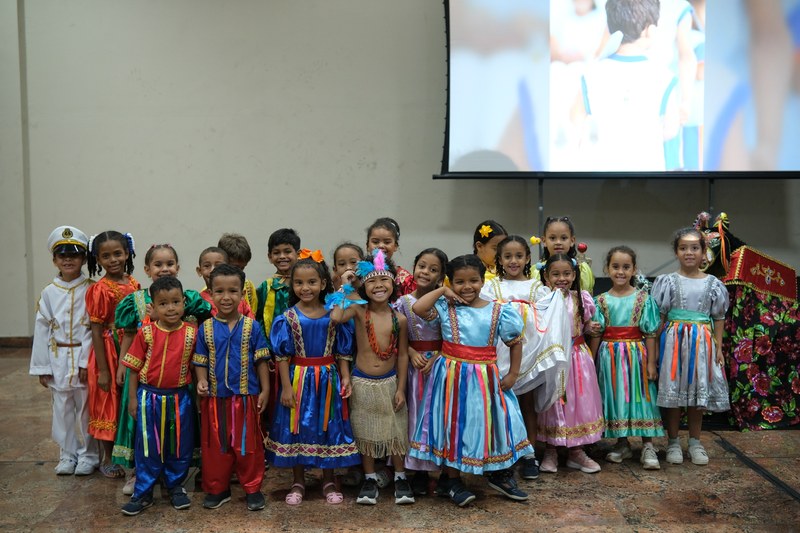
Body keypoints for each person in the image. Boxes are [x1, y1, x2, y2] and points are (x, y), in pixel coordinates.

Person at [409, 254, 532, 507]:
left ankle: (499, 474)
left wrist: (513, 373)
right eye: (459, 282)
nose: (467, 287)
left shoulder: (498, 310)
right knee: (454, 425)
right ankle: (452, 480)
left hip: (485, 377)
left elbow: (515, 342)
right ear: (450, 283)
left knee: (493, 423)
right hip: (451, 378)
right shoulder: (445, 307)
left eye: (474, 280)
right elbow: (418, 308)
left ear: (482, 281)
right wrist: (442, 290)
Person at [113, 244, 211, 494]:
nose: (164, 269)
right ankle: (139, 472)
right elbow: (129, 334)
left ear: (178, 267)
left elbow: (203, 325)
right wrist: (122, 365)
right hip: (146, 377)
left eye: (170, 264)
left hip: (178, 376)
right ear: (147, 269)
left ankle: (174, 474)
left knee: (176, 427)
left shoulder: (188, 298)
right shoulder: (135, 299)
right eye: (158, 265)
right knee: (142, 426)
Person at [266, 255, 361, 505]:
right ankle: (298, 481)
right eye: (299, 283)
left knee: (326, 428)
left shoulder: (334, 314)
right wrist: (286, 388)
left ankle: (328, 479)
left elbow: (342, 350)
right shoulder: (286, 318)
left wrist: (345, 377)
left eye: (311, 282)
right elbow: (282, 357)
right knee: (297, 429)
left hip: (328, 380)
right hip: (298, 381)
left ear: (322, 284)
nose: (305, 288)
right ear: (292, 286)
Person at [479, 235, 572, 481]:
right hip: (500, 352)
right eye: (507, 256)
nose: (513, 261)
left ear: (527, 258)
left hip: (528, 352)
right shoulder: (492, 287)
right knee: (501, 405)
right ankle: (504, 454)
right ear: (499, 259)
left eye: (519, 256)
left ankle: (529, 454)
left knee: (527, 404)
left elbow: (547, 315)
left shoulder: (535, 288)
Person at [328, 249, 415, 506]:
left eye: (384, 280)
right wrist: (345, 286)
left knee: (396, 430)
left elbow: (401, 357)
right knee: (365, 432)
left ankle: (400, 477)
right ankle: (369, 478)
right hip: (362, 382)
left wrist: (400, 388)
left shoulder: (399, 318)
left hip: (389, 382)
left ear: (393, 283)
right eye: (372, 282)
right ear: (364, 286)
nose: (378, 286)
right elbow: (334, 317)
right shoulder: (357, 311)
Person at [193, 264, 270, 511]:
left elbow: (261, 360)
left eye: (233, 291)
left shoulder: (252, 326)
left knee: (248, 446)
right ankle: (218, 488)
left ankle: (252, 488)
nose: (226, 297)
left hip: (246, 397)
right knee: (216, 446)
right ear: (211, 294)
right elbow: (200, 360)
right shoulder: (204, 329)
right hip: (215, 399)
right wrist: (202, 381)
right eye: (220, 291)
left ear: (242, 293)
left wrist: (265, 390)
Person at [569, 0, 680, 172]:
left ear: (610, 27)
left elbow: (575, 120)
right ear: (650, 31)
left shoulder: (592, 73)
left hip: (602, 181)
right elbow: (671, 129)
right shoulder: (665, 77)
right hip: (647, 180)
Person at [119, 277, 198, 515]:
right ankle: (143, 491)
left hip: (180, 399)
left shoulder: (192, 334)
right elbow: (133, 368)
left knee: (179, 445)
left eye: (175, 302)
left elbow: (197, 368)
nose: (171, 308)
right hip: (148, 398)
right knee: (147, 446)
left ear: (184, 302)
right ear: (152, 307)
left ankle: (175, 486)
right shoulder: (146, 333)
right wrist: (133, 399)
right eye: (163, 304)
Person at [651, 228, 729, 466]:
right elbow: (659, 318)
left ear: (704, 252)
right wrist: (654, 350)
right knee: (674, 392)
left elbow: (718, 317)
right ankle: (673, 442)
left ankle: (695, 442)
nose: (689, 252)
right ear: (676, 252)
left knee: (697, 393)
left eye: (695, 248)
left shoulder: (713, 283)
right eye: (683, 248)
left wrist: (718, 348)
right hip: (673, 343)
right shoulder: (668, 282)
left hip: (701, 343)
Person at [30, 226, 99, 476]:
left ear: (83, 258)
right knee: (61, 409)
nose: (68, 259)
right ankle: (68, 454)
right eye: (62, 255)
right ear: (54, 259)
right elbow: (42, 330)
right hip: (58, 358)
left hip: (84, 358)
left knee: (86, 408)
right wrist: (42, 367)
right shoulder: (49, 293)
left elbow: (94, 329)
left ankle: (89, 455)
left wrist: (84, 363)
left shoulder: (92, 289)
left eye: (74, 254)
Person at [588, 246, 664, 470]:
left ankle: (648, 445)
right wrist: (590, 363)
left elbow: (650, 333)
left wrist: (650, 363)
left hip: (636, 356)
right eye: (615, 267)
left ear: (634, 270)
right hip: (608, 357)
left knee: (642, 397)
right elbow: (596, 333)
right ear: (607, 269)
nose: (620, 272)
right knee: (616, 397)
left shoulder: (643, 299)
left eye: (626, 267)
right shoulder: (600, 301)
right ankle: (622, 443)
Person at [537, 254, 604, 474]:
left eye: (567, 273)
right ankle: (551, 450)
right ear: (546, 277)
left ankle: (576, 451)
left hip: (577, 357)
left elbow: (581, 325)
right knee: (553, 402)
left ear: (574, 275)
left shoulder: (581, 299)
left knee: (578, 402)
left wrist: (588, 328)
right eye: (555, 274)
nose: (562, 278)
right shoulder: (543, 299)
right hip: (555, 359)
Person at [392, 248, 448, 496]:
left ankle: (444, 471)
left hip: (439, 367)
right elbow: (396, 338)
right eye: (422, 266)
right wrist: (412, 352)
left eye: (433, 269)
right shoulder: (402, 303)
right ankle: (417, 472)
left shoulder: (446, 303)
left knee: (439, 418)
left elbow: (453, 336)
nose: (426, 272)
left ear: (441, 277)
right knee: (415, 418)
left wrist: (437, 355)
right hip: (414, 371)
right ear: (414, 268)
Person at [85, 231, 140, 479]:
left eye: (117, 253)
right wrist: (104, 370)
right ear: (97, 259)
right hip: (108, 350)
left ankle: (131, 452)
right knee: (107, 401)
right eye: (105, 256)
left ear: (127, 253)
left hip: (133, 347)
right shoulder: (99, 289)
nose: (113, 260)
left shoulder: (135, 284)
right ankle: (108, 457)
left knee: (129, 400)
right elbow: (96, 331)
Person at [540, 215, 594, 293]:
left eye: (564, 238)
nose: (558, 242)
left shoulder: (582, 269)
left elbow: (586, 300)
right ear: (544, 241)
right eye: (552, 238)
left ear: (572, 240)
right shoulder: (537, 270)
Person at [196, 246, 254, 318]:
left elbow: (251, 324)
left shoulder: (239, 300)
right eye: (207, 266)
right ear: (199, 271)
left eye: (218, 265)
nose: (212, 270)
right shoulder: (198, 301)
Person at [365, 217, 415, 296]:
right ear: (367, 246)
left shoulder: (405, 280)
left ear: (395, 246)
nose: (381, 245)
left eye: (387, 242)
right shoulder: (359, 275)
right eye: (375, 242)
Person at [217, 233, 258, 313]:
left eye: (242, 268)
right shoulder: (212, 289)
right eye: (235, 268)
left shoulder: (249, 287)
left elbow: (253, 313)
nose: (239, 273)